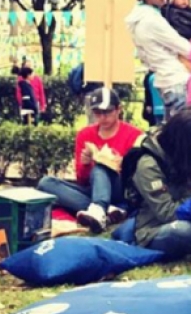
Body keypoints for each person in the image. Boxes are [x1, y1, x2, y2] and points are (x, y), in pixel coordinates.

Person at [37, 88, 142, 233]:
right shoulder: (85, 134)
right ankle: (107, 212)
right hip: (93, 189)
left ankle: (100, 209)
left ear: (119, 110)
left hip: (120, 189)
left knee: (100, 167)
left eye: (107, 112)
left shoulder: (134, 135)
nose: (103, 118)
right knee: (46, 183)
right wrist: (85, 164)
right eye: (98, 113)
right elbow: (82, 180)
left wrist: (120, 164)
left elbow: (138, 176)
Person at [132, 109, 191, 258]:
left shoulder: (186, 156)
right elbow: (168, 213)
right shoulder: (149, 166)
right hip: (156, 229)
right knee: (182, 231)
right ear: (183, 144)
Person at [126, 0, 191, 120]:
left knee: (174, 136)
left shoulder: (139, 18)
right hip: (177, 82)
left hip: (165, 81)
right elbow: (184, 47)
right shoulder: (151, 20)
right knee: (185, 137)